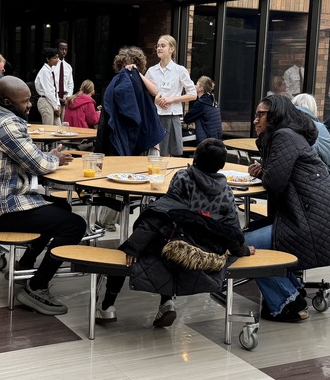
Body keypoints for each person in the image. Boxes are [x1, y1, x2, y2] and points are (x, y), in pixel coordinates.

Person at [95, 138, 252, 327]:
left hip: (177, 242)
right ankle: (166, 304)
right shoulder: (226, 191)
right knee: (169, 255)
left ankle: (107, 307)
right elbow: (232, 230)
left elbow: (164, 211)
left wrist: (134, 246)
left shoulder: (184, 178)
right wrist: (243, 250)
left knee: (128, 254)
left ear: (195, 158)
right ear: (221, 165)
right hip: (207, 251)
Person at [0, 77, 87, 316]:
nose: (29, 105)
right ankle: (37, 287)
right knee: (75, 225)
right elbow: (38, 165)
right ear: (6, 101)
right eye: (24, 102)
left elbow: (24, 155)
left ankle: (25, 265)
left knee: (61, 209)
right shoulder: (6, 123)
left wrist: (46, 157)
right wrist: (54, 159)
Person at [245, 95, 330, 321]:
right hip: (311, 215)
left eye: (261, 115)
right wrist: (264, 170)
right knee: (252, 232)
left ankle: (288, 302)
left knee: (247, 246)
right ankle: (292, 291)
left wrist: (265, 173)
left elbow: (275, 184)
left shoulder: (283, 136)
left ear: (275, 116)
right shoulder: (289, 136)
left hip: (311, 221)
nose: (255, 120)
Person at [94, 46, 163, 232]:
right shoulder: (124, 81)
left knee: (127, 179)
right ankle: (144, 224)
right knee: (135, 181)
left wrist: (138, 75)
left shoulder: (137, 80)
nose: (128, 68)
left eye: (131, 65)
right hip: (145, 137)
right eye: (125, 65)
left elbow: (155, 92)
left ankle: (112, 220)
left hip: (140, 138)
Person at [146, 35, 196, 157]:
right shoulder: (151, 71)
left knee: (169, 155)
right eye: (158, 46)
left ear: (172, 49)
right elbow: (144, 93)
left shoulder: (180, 70)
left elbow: (193, 94)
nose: (159, 48)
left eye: (163, 46)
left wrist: (172, 99)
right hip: (154, 115)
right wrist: (155, 99)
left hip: (171, 115)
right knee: (153, 153)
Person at [182, 75, 222, 142]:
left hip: (205, 138)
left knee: (177, 138)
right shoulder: (213, 100)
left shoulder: (201, 103)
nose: (194, 86)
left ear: (201, 89)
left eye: (196, 85)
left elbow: (186, 119)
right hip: (215, 136)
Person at [34, 47, 62, 125]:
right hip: (45, 100)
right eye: (55, 58)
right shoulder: (44, 71)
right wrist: (56, 107)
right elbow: (48, 91)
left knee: (58, 127)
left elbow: (54, 89)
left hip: (52, 101)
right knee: (49, 128)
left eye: (58, 57)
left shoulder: (51, 70)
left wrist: (58, 104)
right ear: (48, 59)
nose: (57, 60)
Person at [55, 38, 74, 114]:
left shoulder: (68, 67)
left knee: (63, 123)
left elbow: (70, 84)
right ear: (57, 49)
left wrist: (68, 97)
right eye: (62, 49)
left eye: (66, 49)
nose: (64, 52)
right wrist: (56, 98)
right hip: (54, 98)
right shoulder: (52, 65)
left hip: (64, 99)